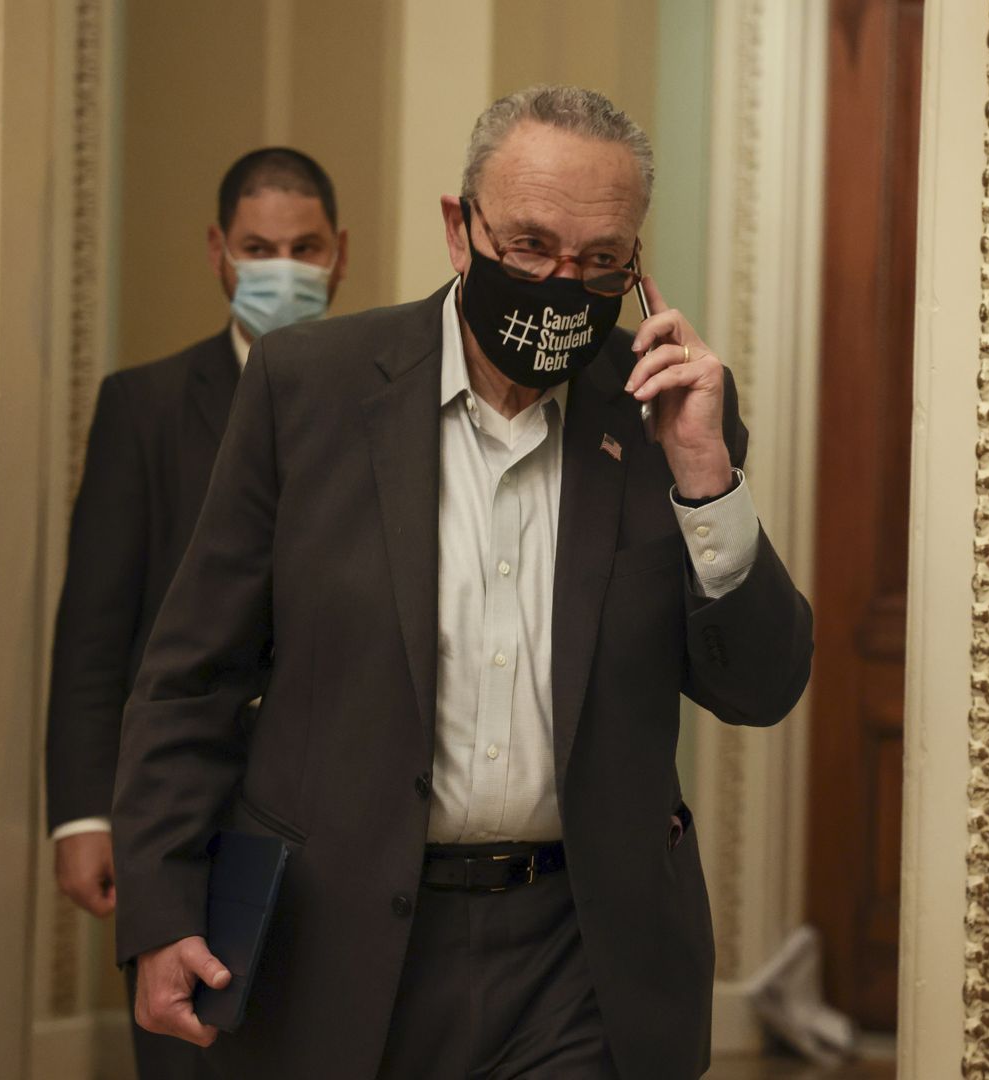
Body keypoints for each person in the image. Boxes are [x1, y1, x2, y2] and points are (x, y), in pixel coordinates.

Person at [112, 86, 814, 1079]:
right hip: (339, 937)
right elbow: (193, 676)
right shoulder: (305, 388)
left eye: (600, 261)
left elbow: (761, 685)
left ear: (634, 265)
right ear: (460, 229)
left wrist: (708, 479)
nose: (560, 283)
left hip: (579, 954)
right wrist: (163, 906)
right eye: (528, 245)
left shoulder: (666, 412)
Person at [43, 146, 347, 1078]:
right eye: (259, 248)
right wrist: (84, 815)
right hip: (184, 810)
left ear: (343, 252)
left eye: (305, 247)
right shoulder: (146, 406)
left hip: (339, 809)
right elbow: (97, 628)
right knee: (190, 1052)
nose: (283, 270)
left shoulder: (379, 404)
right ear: (219, 251)